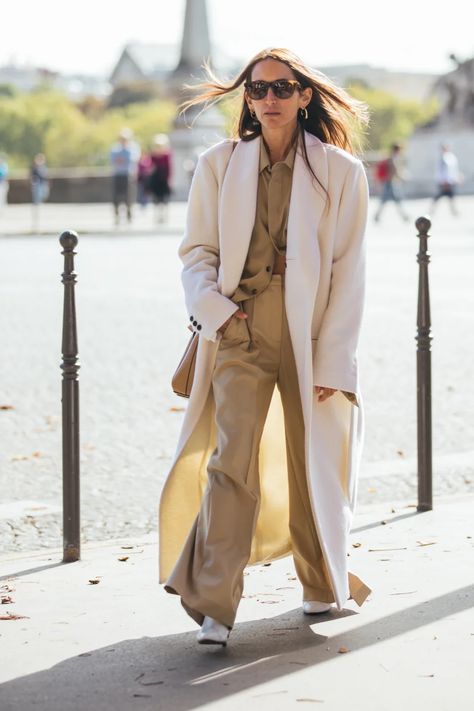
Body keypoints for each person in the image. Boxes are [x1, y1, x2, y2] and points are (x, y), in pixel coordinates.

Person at [159, 47, 371, 647]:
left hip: (309, 336)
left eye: (281, 88)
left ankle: (320, 585)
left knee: (312, 462)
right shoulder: (218, 164)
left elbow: (348, 273)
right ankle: (216, 604)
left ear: (305, 95)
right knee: (232, 463)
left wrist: (335, 358)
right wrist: (218, 315)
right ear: (246, 98)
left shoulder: (341, 173)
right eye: (257, 91)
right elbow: (196, 253)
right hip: (239, 333)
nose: (268, 100)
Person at [373, 143, 409, 223]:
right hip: (390, 183)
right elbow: (394, 170)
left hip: (388, 182)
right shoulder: (393, 158)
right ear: (397, 150)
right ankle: (404, 216)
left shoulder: (389, 157)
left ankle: (377, 216)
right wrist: (402, 178)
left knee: (386, 200)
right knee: (393, 200)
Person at [110, 128, 139, 225]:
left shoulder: (132, 148)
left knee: (128, 196)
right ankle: (117, 214)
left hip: (127, 175)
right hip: (118, 174)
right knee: (116, 196)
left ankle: (129, 214)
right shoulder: (115, 149)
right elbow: (115, 161)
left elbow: (132, 161)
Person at [146, 134, 172, 223]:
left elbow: (169, 168)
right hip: (156, 179)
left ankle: (163, 215)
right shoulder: (153, 156)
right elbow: (150, 167)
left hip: (163, 179)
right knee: (156, 199)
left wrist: (169, 179)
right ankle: (157, 215)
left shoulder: (166, 155)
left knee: (164, 199)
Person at [430, 144, 460, 216]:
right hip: (444, 182)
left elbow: (453, 170)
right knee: (438, 196)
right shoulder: (442, 159)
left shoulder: (451, 157)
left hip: (451, 181)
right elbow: (442, 171)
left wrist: (457, 177)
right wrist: (444, 181)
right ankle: (431, 211)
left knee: (451, 196)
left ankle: (454, 211)